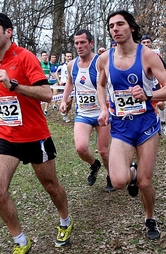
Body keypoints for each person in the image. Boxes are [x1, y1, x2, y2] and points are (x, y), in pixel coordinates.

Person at [0, 13, 73, 254]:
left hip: (35, 137)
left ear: (8, 32)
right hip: (6, 135)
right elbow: (8, 99)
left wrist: (13, 86)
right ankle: (21, 241)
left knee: (51, 185)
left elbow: (45, 94)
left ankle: (65, 220)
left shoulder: (25, 57)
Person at [97, 10, 166, 239]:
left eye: (120, 24)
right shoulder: (105, 59)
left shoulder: (148, 55)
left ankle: (149, 217)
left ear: (131, 27)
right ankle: (130, 173)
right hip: (121, 125)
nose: (115, 29)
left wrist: (148, 94)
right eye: (111, 26)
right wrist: (103, 108)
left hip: (146, 125)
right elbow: (101, 85)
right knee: (118, 181)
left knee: (144, 182)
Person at [60, 29, 114, 192]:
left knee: (104, 150)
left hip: (101, 112)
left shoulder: (100, 62)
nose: (79, 46)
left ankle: (111, 176)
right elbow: (70, 82)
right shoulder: (71, 65)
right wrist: (64, 99)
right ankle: (94, 164)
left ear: (91, 43)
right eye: (76, 43)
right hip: (83, 113)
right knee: (81, 148)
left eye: (83, 42)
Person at [141, 35, 166, 136]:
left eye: (148, 42)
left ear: (151, 43)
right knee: (146, 106)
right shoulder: (137, 55)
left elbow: (165, 66)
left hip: (155, 84)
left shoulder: (155, 55)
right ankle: (150, 126)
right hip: (143, 85)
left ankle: (163, 123)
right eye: (144, 42)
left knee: (160, 104)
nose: (146, 44)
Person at [56, 51, 73, 123]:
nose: (69, 58)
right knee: (68, 100)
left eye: (70, 56)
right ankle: (62, 109)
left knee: (70, 104)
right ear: (65, 57)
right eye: (68, 56)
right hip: (65, 85)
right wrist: (59, 81)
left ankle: (65, 114)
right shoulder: (62, 65)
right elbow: (56, 73)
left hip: (72, 84)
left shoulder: (74, 64)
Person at [40, 51, 51, 116]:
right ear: (41, 57)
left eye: (46, 55)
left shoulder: (49, 63)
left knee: (47, 96)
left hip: (48, 82)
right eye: (43, 55)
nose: (45, 57)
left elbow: (49, 72)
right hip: (41, 82)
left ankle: (46, 110)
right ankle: (39, 109)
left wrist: (52, 75)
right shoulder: (39, 63)